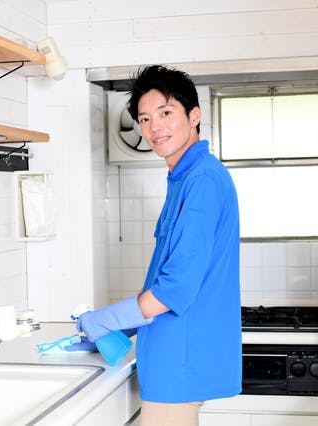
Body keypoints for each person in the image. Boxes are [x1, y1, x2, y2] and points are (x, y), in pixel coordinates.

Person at [67, 64, 241, 425]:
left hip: (179, 363)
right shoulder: (184, 178)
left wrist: (104, 319)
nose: (154, 127)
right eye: (145, 119)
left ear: (194, 116)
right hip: (171, 359)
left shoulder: (202, 181)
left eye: (165, 113)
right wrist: (119, 327)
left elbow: (174, 288)